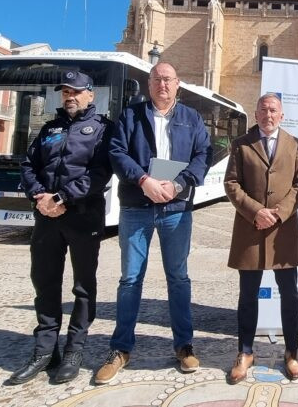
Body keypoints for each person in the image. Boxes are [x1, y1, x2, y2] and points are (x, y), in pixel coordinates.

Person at [94, 62, 212, 384]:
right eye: (157, 79)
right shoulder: (132, 115)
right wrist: (143, 179)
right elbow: (117, 152)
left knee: (178, 277)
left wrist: (179, 184)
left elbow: (204, 154)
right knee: (130, 279)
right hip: (137, 206)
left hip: (176, 208)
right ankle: (120, 349)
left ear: (178, 85)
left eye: (168, 79)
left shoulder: (191, 118)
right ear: (150, 85)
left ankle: (184, 346)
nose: (163, 84)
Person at [6, 71, 114, 386]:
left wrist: (62, 196)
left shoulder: (103, 129)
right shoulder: (49, 128)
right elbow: (28, 165)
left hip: (83, 216)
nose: (70, 96)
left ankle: (73, 351)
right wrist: (39, 195)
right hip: (46, 217)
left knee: (83, 287)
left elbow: (100, 172)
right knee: (45, 282)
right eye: (66, 91)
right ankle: (44, 351)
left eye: (76, 91)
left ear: (90, 95)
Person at [223, 93, 298, 384]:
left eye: (273, 110)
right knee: (248, 295)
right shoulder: (241, 145)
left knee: (290, 294)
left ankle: (292, 351)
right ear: (256, 114)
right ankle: (245, 351)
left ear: (281, 115)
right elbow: (231, 183)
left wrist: (280, 212)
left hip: (282, 230)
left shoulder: (294, 144)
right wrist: (256, 211)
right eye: (262, 110)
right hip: (251, 228)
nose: (268, 115)